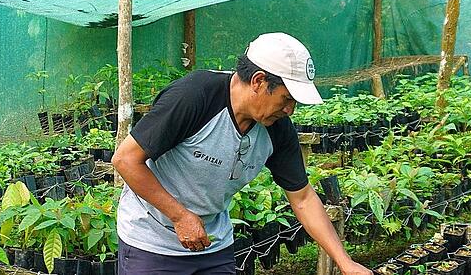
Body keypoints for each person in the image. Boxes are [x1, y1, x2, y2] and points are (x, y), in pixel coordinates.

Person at [113, 32, 373, 275]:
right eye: (286, 98)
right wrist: (180, 216)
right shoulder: (195, 96)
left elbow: (303, 197)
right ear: (259, 81)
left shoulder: (277, 128)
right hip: (152, 243)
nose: (290, 110)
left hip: (213, 244)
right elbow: (125, 160)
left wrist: (345, 263)